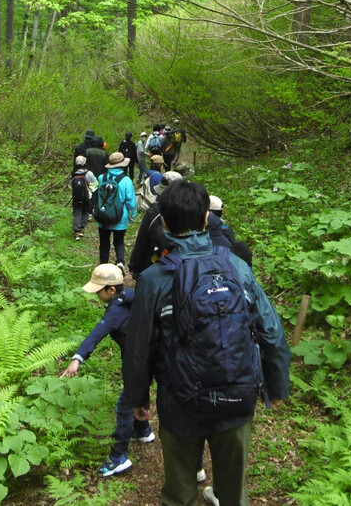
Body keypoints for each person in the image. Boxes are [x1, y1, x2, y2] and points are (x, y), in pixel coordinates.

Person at [123, 180, 291, 506]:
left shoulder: (153, 280)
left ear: (166, 223)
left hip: (178, 403)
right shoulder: (237, 267)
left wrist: (138, 397)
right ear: (205, 219)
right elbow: (271, 330)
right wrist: (277, 385)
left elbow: (139, 346)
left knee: (180, 492)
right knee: (234, 493)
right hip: (238, 398)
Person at [60, 264, 155, 477]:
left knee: (124, 406)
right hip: (146, 358)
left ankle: (118, 457)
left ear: (111, 290)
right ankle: (142, 430)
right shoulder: (131, 297)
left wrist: (77, 359)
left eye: (98, 291)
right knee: (138, 392)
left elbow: (98, 332)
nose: (96, 295)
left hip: (139, 362)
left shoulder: (116, 310)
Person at [129, 171, 183, 279]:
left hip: (154, 267)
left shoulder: (154, 212)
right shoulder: (190, 211)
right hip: (182, 270)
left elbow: (142, 240)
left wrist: (135, 267)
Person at [94, 152, 138, 270]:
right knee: (119, 242)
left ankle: (103, 266)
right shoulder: (126, 180)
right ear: (122, 165)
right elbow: (130, 201)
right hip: (120, 217)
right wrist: (133, 216)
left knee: (104, 243)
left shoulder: (101, 178)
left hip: (103, 215)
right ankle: (119, 263)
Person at [70, 155, 98, 240]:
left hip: (76, 198)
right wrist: (91, 191)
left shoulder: (73, 174)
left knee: (77, 213)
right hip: (87, 197)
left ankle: (76, 231)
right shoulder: (88, 173)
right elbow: (95, 184)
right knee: (85, 212)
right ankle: (82, 229)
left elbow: (70, 186)